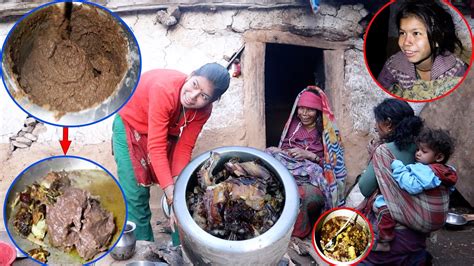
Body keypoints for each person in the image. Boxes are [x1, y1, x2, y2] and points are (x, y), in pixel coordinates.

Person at [112, 63, 230, 241]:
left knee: (183, 195)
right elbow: (156, 147)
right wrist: (170, 196)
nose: (192, 96)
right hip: (130, 126)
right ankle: (145, 254)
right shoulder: (164, 89)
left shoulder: (204, 111)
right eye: (194, 85)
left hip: (162, 133)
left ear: (211, 101)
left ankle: (181, 250)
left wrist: (176, 193)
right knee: (136, 196)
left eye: (203, 96)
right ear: (190, 75)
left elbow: (184, 148)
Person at [358, 98, 451, 265]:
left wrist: (374, 157)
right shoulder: (425, 148)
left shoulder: (385, 151)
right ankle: (416, 257)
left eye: (377, 122)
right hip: (419, 231)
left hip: (396, 233)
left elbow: (365, 188)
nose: (375, 127)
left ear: (388, 124)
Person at [265, 86, 347, 238]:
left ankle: (299, 234)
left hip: (314, 181)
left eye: (310, 110)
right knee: (268, 156)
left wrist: (310, 156)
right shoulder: (293, 126)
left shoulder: (328, 134)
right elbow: (283, 153)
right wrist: (280, 152)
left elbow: (333, 169)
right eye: (301, 108)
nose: (304, 114)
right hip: (290, 173)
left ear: (318, 112)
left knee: (300, 194)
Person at [372, 127, 457, 252]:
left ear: (438, 157)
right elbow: (449, 190)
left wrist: (398, 167)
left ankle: (385, 240)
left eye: (424, 151)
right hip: (439, 219)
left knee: (381, 203)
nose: (418, 153)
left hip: (425, 220)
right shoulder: (449, 171)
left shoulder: (425, 170)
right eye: (418, 149)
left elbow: (411, 186)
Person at [377, 1, 468, 100]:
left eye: (416, 33)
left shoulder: (456, 70)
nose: (406, 42)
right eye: (402, 33)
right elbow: (378, 94)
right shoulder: (393, 65)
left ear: (437, 39)